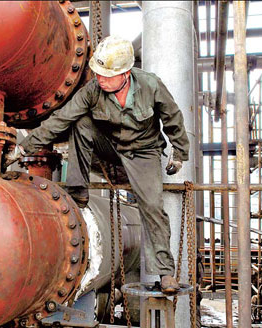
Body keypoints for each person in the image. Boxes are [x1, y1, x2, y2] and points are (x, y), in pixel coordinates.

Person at [20, 36, 190, 293]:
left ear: (125, 73)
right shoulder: (91, 91)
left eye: (107, 75)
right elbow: (61, 119)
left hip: (144, 152)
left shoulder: (150, 85)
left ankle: (165, 272)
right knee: (79, 122)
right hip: (111, 147)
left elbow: (173, 119)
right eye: (98, 73)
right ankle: (79, 191)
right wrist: (26, 146)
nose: (100, 79)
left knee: (153, 206)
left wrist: (179, 152)